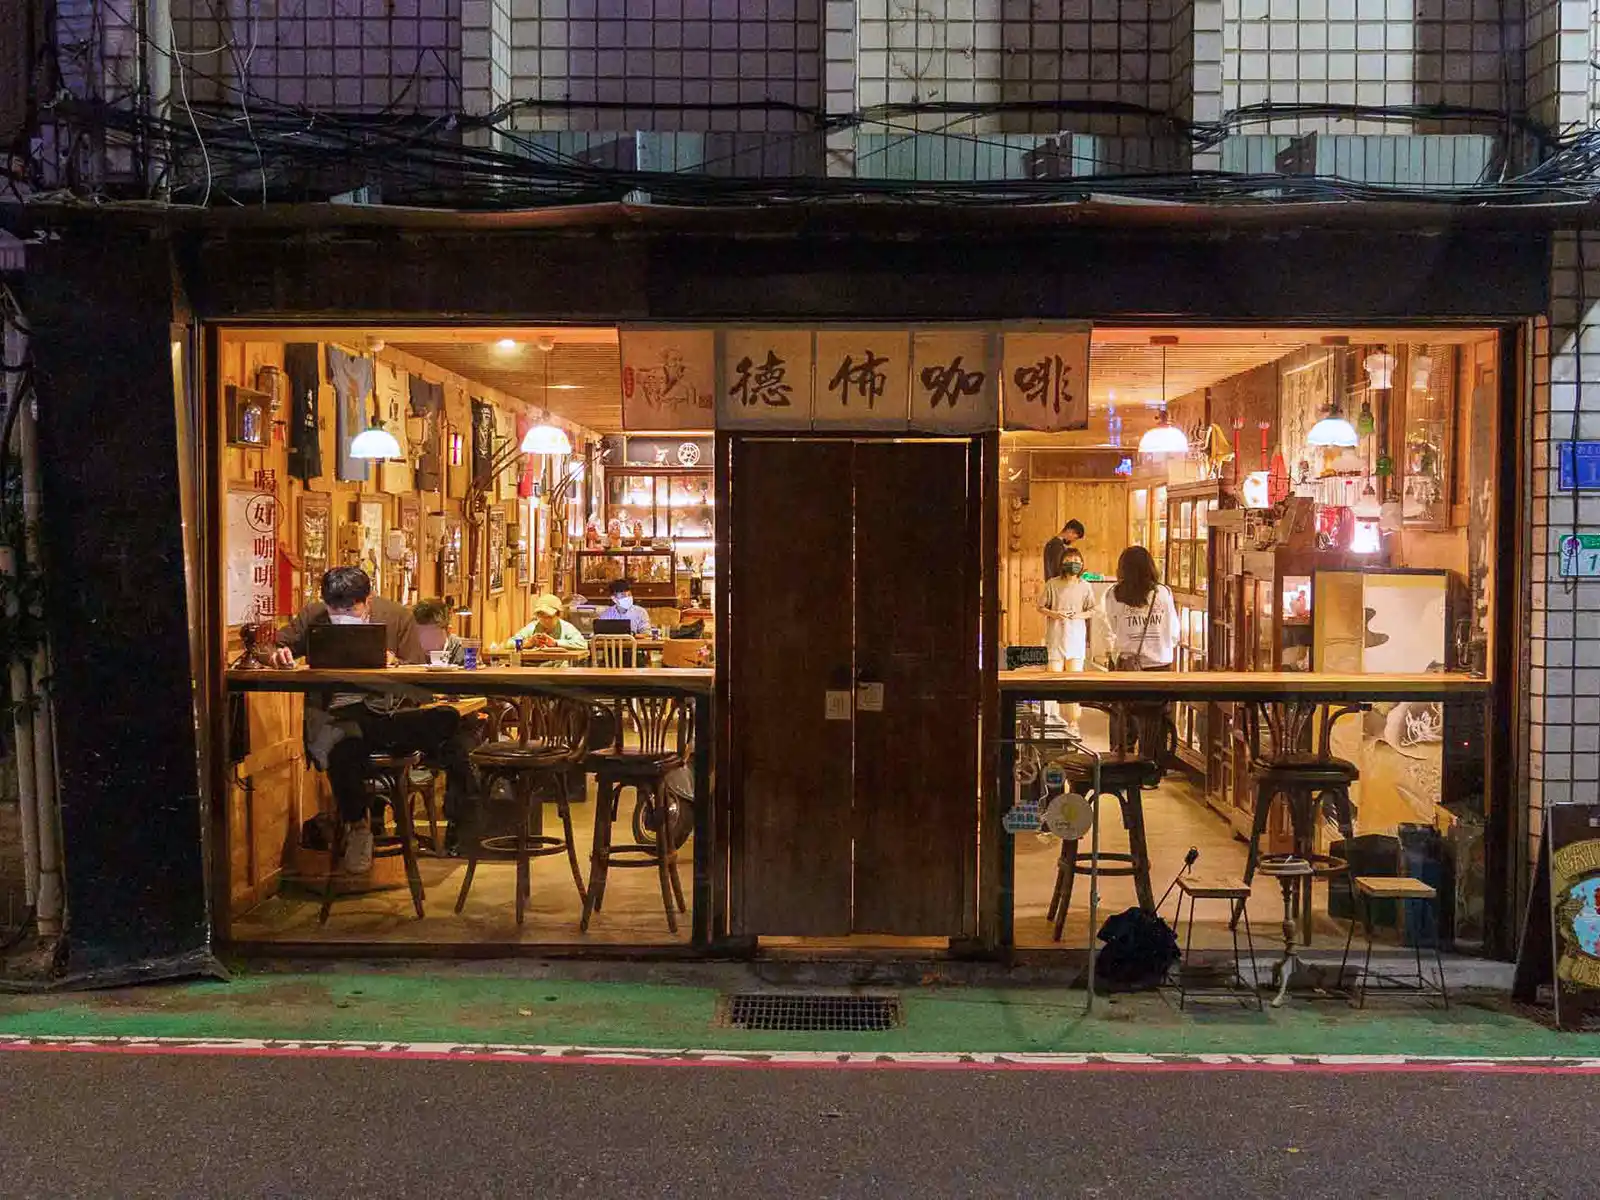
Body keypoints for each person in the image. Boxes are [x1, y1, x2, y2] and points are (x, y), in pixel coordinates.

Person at [272, 567, 476, 867]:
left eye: (350, 608)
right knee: (343, 749)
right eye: (334, 609)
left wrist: (395, 664)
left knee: (448, 718)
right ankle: (359, 828)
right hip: (336, 720)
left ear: (367, 601)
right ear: (324, 602)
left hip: (385, 716)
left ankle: (466, 812)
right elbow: (276, 645)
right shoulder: (313, 616)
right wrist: (277, 654)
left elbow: (418, 678)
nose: (341, 615)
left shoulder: (395, 616)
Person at [1101, 544, 1179, 763]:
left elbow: (1111, 628)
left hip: (1126, 665)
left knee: (1122, 715)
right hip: (1159, 666)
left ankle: (1120, 761)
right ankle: (1152, 766)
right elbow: (1174, 632)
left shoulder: (1113, 594)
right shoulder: (1163, 593)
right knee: (1155, 720)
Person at [1035, 546, 1096, 738]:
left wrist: (1078, 615)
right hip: (1055, 636)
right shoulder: (1052, 584)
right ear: (1062, 563)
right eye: (1070, 560)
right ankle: (1051, 720)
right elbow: (1040, 606)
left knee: (1073, 682)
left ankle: (1072, 722)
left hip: (1076, 638)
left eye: (1077, 560)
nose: (1074, 564)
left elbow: (1093, 610)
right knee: (1053, 679)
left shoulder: (1085, 586)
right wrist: (1055, 614)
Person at [510, 594, 589, 654]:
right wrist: (527, 643)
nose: (546, 621)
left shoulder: (566, 628)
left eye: (550, 617)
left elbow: (583, 644)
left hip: (559, 670)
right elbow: (509, 643)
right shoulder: (532, 627)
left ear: (558, 615)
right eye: (542, 617)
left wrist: (556, 643)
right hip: (533, 668)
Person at [413, 597, 466, 665]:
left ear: (448, 631)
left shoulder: (462, 649)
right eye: (422, 634)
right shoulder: (410, 649)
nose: (427, 641)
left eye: (433, 635)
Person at [1044, 519, 1086, 583]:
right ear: (1070, 531)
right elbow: (1058, 568)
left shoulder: (1055, 544)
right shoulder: (1056, 545)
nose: (1073, 541)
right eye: (1075, 538)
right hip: (1057, 585)